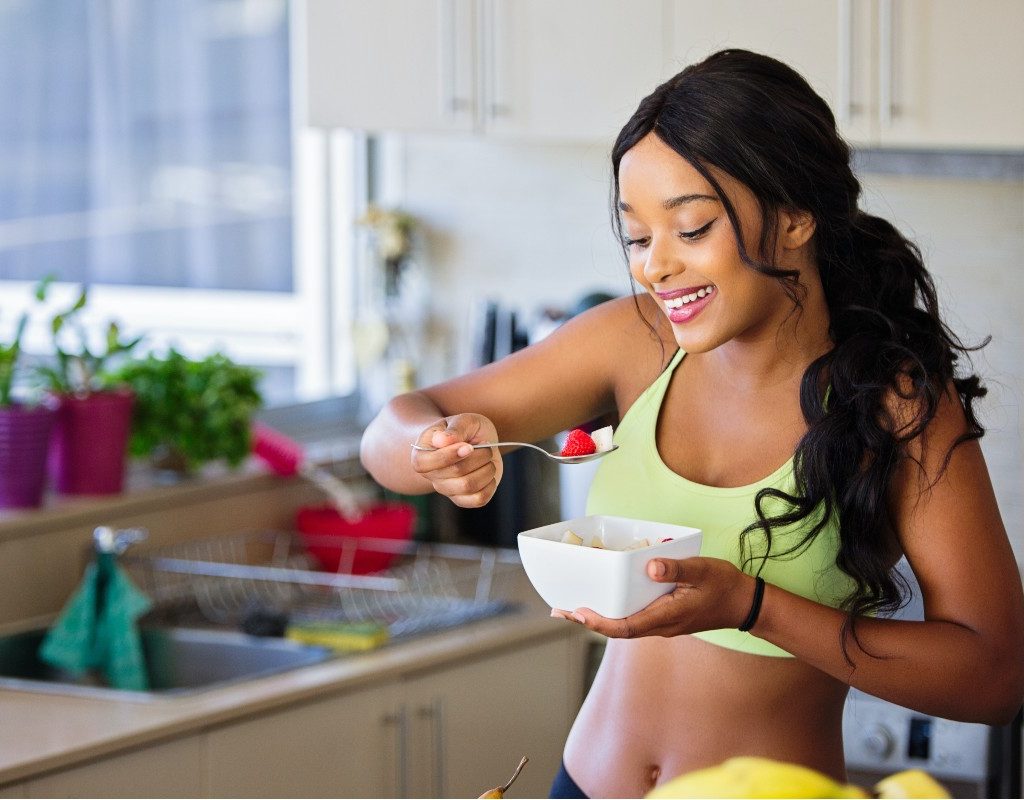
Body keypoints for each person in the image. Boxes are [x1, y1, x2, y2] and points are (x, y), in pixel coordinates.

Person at [359, 49, 1024, 798]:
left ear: (797, 216)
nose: (654, 268)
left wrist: (751, 606)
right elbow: (390, 431)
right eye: (639, 238)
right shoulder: (632, 342)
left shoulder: (894, 405)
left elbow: (995, 676)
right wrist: (429, 450)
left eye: (692, 228)